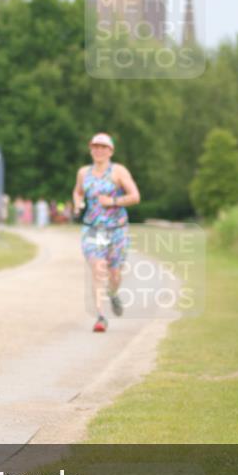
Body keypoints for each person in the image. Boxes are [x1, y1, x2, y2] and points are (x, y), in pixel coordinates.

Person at [72, 133, 140, 333]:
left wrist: (113, 201)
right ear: (90, 149)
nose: (98, 150)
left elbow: (135, 196)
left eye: (103, 147)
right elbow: (77, 191)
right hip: (93, 228)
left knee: (115, 273)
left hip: (117, 229)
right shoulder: (83, 172)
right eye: (95, 147)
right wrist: (77, 202)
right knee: (98, 268)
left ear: (110, 151)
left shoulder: (118, 171)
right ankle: (101, 317)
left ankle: (113, 293)